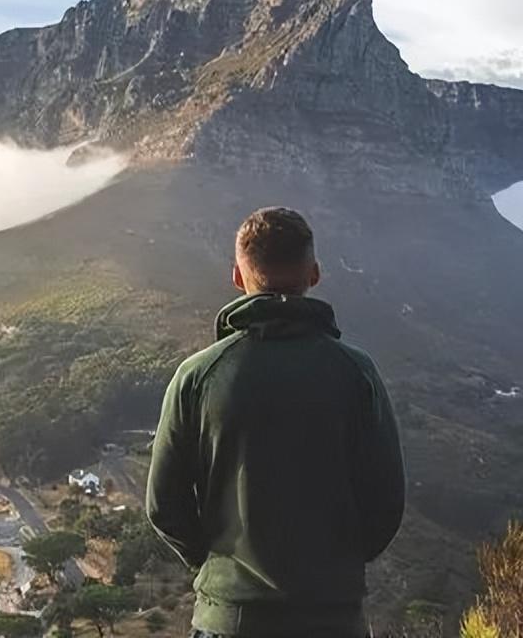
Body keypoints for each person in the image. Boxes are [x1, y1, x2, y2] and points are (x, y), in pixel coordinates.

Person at [146, 206, 406, 637]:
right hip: (333, 621)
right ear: (315, 273)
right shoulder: (356, 373)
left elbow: (163, 504)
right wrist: (335, 570)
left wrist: (217, 565)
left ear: (237, 277)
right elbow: (386, 505)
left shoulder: (198, 376)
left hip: (228, 622)